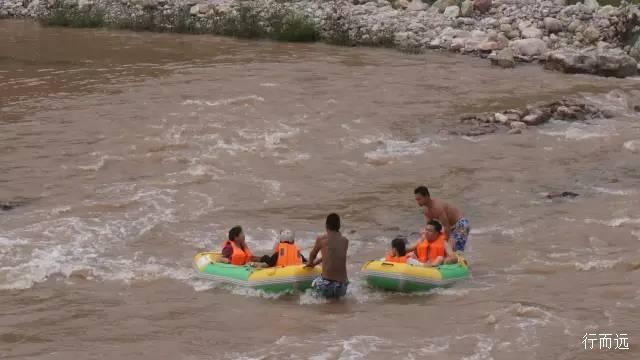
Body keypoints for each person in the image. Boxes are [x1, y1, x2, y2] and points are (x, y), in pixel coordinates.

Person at [414, 185, 470, 257]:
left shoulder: (437, 207)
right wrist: (424, 237)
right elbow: (429, 227)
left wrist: (444, 242)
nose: (417, 202)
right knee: (447, 246)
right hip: (450, 226)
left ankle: (459, 263)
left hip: (461, 224)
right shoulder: (426, 210)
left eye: (419, 199)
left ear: (427, 196)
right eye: (416, 200)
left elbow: (446, 227)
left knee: (454, 248)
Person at [305, 213, 349, 299]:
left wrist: (310, 263)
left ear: (326, 225)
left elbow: (312, 254)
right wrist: (316, 263)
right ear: (339, 226)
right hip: (342, 286)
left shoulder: (322, 239)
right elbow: (331, 255)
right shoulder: (345, 241)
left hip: (326, 285)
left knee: (311, 289)